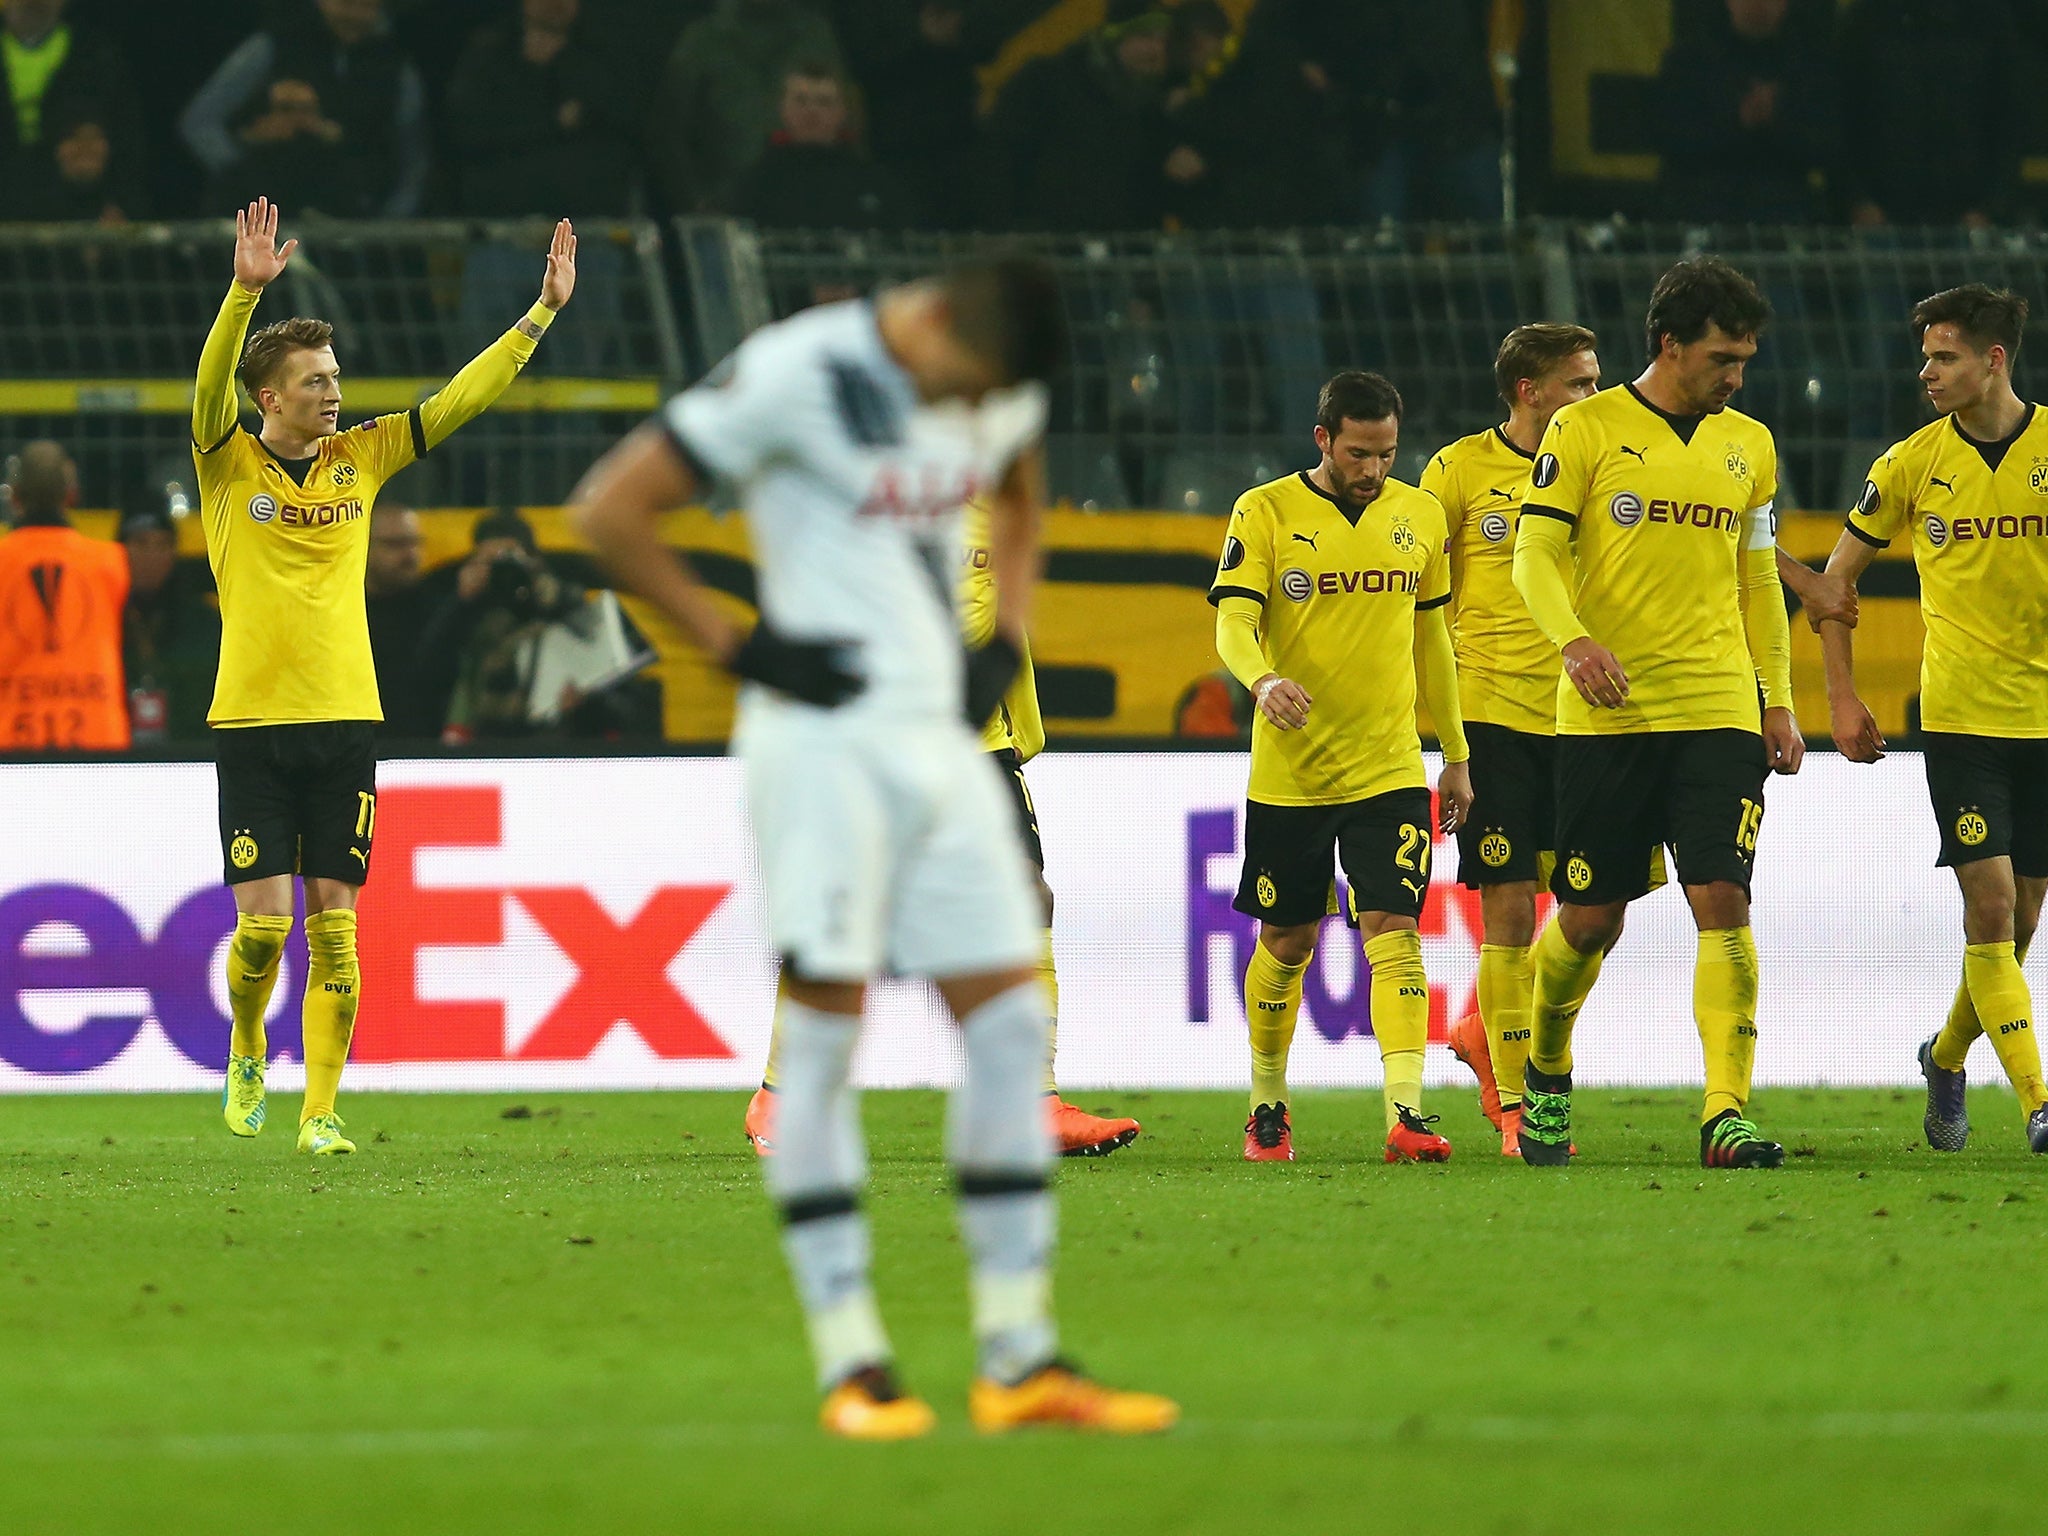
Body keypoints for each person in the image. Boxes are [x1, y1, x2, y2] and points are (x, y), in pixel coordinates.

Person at [569, 260, 1175, 1438]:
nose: (968, 415)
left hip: (940, 739)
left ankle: (1018, 1360)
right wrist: (738, 647)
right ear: (935, 320)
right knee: (825, 1032)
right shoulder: (795, 370)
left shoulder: (993, 377)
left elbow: (1018, 493)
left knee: (1005, 1017)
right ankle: (853, 1364)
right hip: (817, 748)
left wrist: (1003, 640)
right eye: (958, 391)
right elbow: (609, 509)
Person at [199, 198, 576, 1155]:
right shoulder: (225, 461)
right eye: (314, 382)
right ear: (268, 397)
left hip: (346, 722)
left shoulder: (359, 459)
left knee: (335, 929)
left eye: (334, 378)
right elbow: (208, 384)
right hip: (249, 722)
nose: (333, 393)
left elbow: (457, 400)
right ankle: (247, 1046)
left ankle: (321, 1113)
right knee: (263, 931)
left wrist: (538, 315)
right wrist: (244, 297)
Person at [743, 496, 1145, 1160]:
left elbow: (998, 622)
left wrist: (1025, 732)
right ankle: (780, 1097)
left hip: (978, 747)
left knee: (1027, 905)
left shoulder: (988, 498)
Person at [1510, 257, 1801, 1170]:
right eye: (1722, 357)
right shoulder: (1587, 428)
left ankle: (1725, 1113)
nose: (1736, 376)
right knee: (1592, 918)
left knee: (1723, 897)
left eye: (1745, 359)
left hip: (1717, 706)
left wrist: (1778, 699)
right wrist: (1572, 641)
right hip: (1608, 712)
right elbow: (1533, 556)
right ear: (1669, 344)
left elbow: (1758, 580)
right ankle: (1545, 1064)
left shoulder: (1749, 445)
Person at [1208, 370, 1474, 1165]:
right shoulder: (1264, 511)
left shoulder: (1420, 516)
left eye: (1387, 453)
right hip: (1290, 774)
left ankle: (1407, 1113)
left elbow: (1434, 644)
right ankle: (1266, 1101)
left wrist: (1455, 755)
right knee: (1287, 940)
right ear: (1323, 439)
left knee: (1394, 928)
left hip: (1389, 766)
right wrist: (1262, 679)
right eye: (1360, 453)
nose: (1374, 469)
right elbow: (1232, 622)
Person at [1815, 284, 2048, 1155]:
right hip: (1958, 720)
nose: (1927, 373)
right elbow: (1834, 589)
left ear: (1994, 360)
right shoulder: (1908, 464)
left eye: (1944, 357)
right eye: (1925, 357)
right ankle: (2038, 1101)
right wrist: (1841, 695)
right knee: (1988, 909)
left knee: (2021, 920)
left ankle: (1946, 1056)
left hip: (2045, 722)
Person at [1424, 325, 1605, 1158]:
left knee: (1592, 915)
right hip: (1493, 709)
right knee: (1505, 906)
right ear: (1528, 390)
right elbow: (1419, 596)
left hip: (1589, 714)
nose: (1592, 398)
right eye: (1578, 384)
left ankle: (1476, 1029)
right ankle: (1513, 1109)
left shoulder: (1608, 461)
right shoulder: (1458, 471)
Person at [179, 0, 430, 219]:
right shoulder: (274, 46)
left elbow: (412, 153)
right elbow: (201, 123)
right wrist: (246, 178)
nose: (354, 10)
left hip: (356, 223)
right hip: (268, 224)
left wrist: (390, 221)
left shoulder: (395, 68)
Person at [979, 5, 1170, 232]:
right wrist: (1005, 223)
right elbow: (1002, 153)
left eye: (1163, 42)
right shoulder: (1047, 81)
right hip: (1042, 238)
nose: (1156, 50)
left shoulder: (1148, 105)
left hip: (1114, 244)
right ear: (1114, 37)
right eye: (1146, 37)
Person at [647, 0, 841, 213]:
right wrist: (695, 203)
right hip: (724, 204)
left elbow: (847, 121)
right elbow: (668, 132)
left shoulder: (816, 36)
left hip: (809, 201)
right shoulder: (702, 39)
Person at [445, 0, 636, 218]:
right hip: (502, 224)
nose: (555, 3)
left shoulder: (606, 54)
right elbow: (470, 131)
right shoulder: (487, 54)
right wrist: (553, 122)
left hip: (590, 224)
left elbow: (623, 120)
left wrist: (565, 60)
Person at [1654, 0, 1836, 223]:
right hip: (1703, 202)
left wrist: (1778, 120)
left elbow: (1825, 142)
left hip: (1783, 204)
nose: (1760, 5)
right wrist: (1737, 121)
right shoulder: (1688, 61)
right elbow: (1672, 137)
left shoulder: (1807, 65)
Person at [0, 439, 129, 750]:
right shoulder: (110, 562)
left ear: (14, 497)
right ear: (72, 495)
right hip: (98, 737)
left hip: (9, 741)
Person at [0, 0, 143, 222]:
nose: (33, 2)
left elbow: (127, 140)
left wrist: (121, 206)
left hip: (76, 219)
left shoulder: (96, 55)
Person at [726, 63, 914, 229]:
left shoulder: (875, 185)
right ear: (783, 108)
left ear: (842, 112)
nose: (811, 111)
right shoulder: (756, 184)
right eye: (801, 101)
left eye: (824, 102)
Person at [119, 496, 220, 744]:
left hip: (186, 754)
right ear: (120, 548)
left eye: (163, 545)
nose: (152, 555)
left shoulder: (204, 623)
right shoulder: (99, 619)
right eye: (141, 544)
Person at [362, 502, 458, 743]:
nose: (410, 554)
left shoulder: (439, 607)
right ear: (363, 546)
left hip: (426, 751)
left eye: (415, 542)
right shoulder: (345, 611)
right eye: (395, 545)